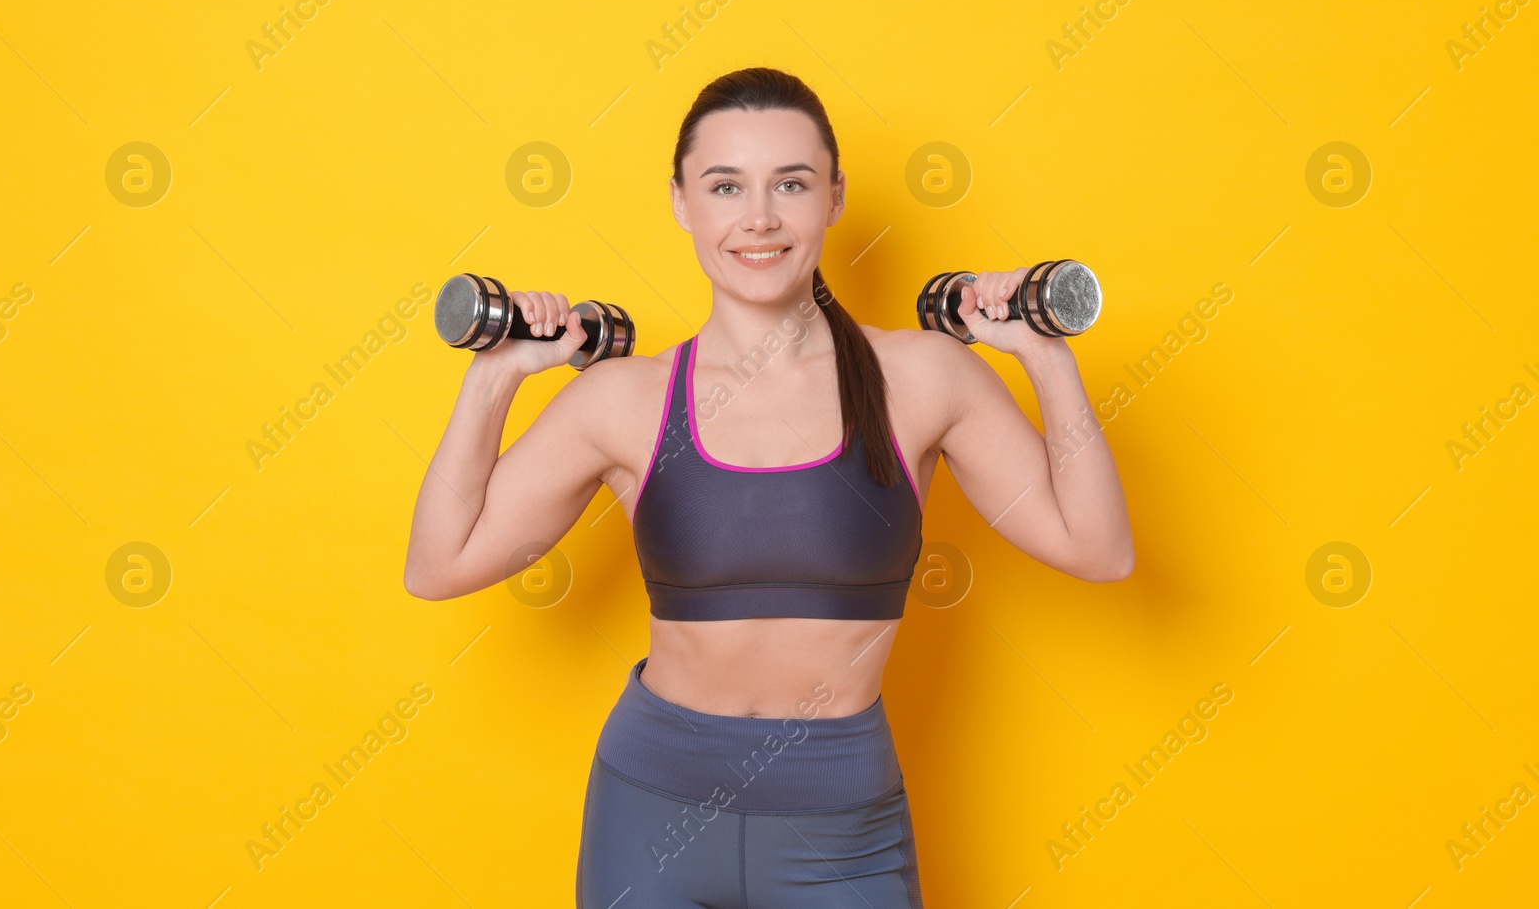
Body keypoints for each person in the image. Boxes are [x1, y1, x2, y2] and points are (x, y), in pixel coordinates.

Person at [403, 67, 1134, 907]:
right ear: (681, 202)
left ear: (834, 196)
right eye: (725, 186)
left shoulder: (924, 378)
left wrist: (1043, 353)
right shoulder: (623, 399)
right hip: (649, 819)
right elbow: (439, 564)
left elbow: (1099, 549)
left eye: (791, 183)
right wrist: (495, 377)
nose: (758, 218)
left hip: (842, 832)